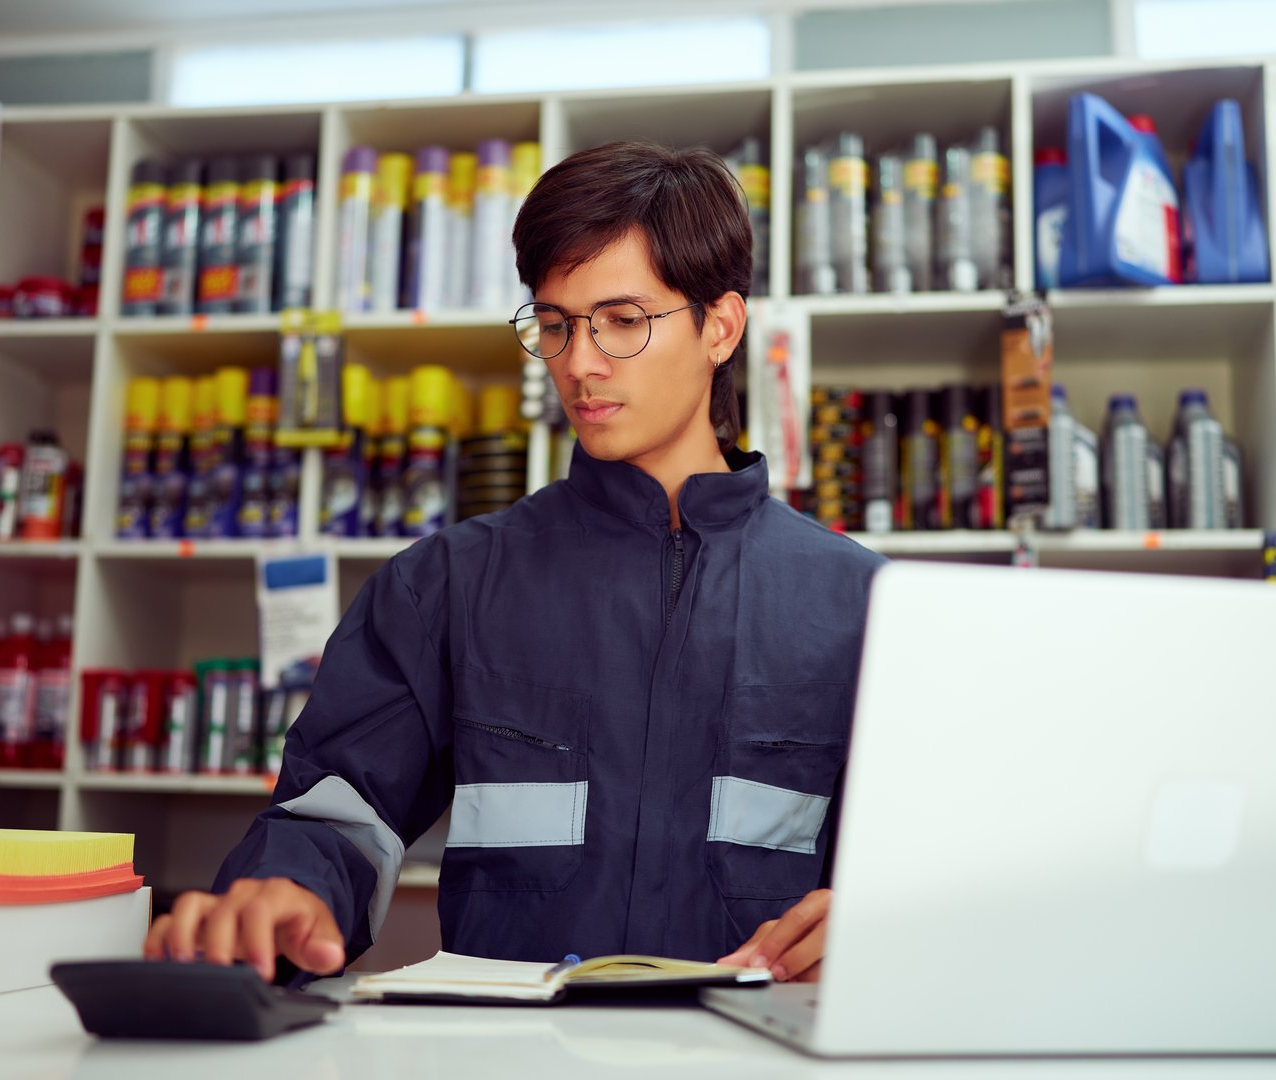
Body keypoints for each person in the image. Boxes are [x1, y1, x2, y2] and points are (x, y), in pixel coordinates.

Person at [145, 140, 884, 986]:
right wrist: (285, 893)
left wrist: (889, 919)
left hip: (756, 1058)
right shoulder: (445, 585)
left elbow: (940, 866)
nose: (578, 362)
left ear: (719, 325)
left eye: (623, 320)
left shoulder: (862, 604)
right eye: (557, 323)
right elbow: (337, 813)